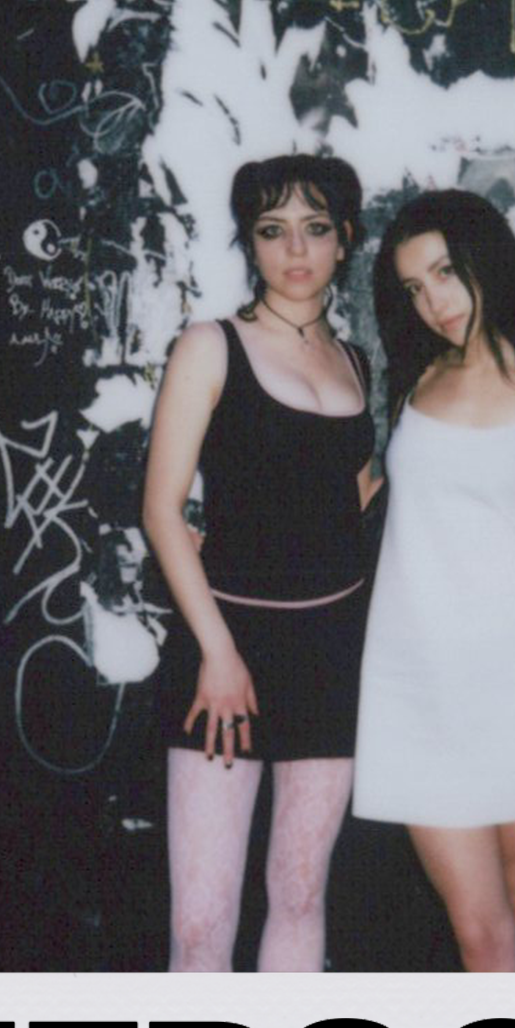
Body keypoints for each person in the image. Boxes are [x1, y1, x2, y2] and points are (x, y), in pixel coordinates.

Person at [353, 189, 515, 972]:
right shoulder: (416, 382)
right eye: (413, 287)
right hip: (413, 686)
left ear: (487, 261)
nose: (433, 302)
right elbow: (379, 500)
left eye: (445, 273)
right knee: (478, 930)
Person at [142, 154, 376, 972]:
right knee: (202, 924)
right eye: (274, 231)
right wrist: (217, 653)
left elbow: (354, 499)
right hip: (225, 649)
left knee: (301, 895)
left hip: (330, 655)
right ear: (250, 241)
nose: (296, 250)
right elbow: (161, 510)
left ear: (345, 239)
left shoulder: (356, 361)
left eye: (316, 228)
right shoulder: (211, 346)